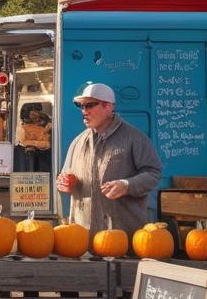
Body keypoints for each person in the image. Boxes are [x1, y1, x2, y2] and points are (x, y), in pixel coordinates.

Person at [57, 82, 162, 234]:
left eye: (90, 105)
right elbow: (65, 175)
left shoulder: (134, 138)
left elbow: (153, 173)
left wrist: (126, 185)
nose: (84, 111)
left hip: (122, 234)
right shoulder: (77, 142)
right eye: (81, 106)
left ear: (108, 107)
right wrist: (66, 182)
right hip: (82, 237)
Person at [16, 105, 53, 172]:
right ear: (26, 115)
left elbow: (48, 144)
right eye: (33, 114)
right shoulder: (22, 128)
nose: (37, 115)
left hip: (45, 161)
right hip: (32, 163)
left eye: (38, 112)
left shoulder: (46, 125)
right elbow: (23, 142)